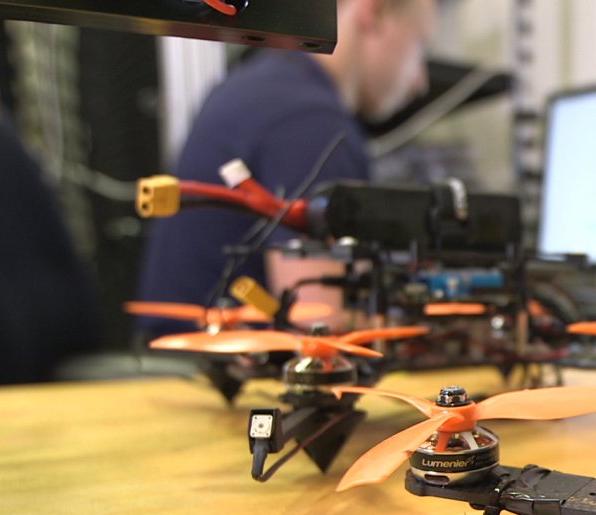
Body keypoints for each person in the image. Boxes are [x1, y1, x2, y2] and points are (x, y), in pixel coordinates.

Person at [135, 0, 435, 334]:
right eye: (420, 44)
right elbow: (321, 326)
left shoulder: (265, 85)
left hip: (179, 356)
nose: (419, 82)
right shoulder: (310, 123)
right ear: (375, 13)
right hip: (208, 371)